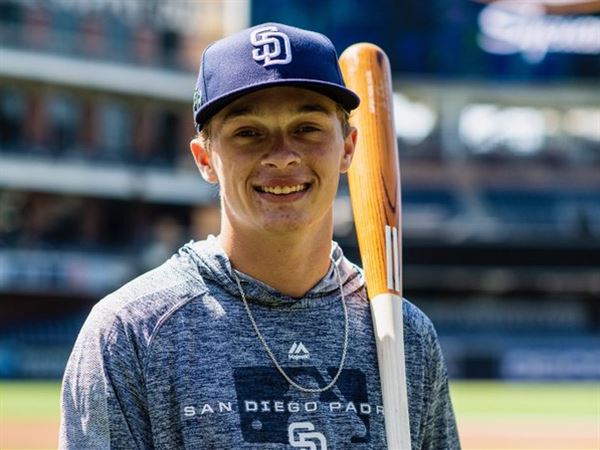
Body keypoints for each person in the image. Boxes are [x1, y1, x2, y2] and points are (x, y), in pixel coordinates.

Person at [60, 22, 460, 449]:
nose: (283, 155)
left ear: (347, 147)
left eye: (307, 128)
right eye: (248, 133)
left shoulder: (404, 334)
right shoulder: (131, 332)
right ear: (204, 158)